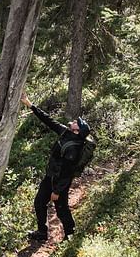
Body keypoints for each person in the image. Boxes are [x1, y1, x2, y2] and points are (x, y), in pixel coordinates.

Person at [20, 91, 90, 242]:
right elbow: (49, 121)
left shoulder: (74, 148)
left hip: (60, 183)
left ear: (77, 131)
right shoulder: (66, 132)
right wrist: (30, 104)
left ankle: (70, 234)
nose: (74, 121)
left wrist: (57, 191)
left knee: (61, 209)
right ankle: (42, 233)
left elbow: (67, 172)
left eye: (77, 123)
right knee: (39, 202)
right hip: (50, 177)